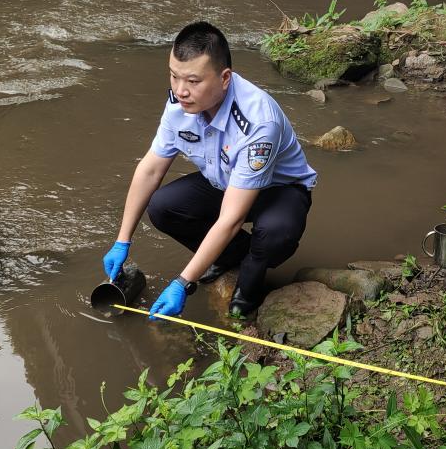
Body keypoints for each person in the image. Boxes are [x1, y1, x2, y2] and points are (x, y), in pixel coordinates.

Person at [102, 21, 317, 319]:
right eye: (174, 77)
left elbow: (232, 217)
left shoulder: (257, 123)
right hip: (224, 182)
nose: (180, 91)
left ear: (225, 78)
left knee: (274, 235)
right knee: (163, 207)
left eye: (193, 81)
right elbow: (150, 169)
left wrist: (182, 282)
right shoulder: (178, 103)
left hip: (278, 191)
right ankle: (231, 255)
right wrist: (122, 240)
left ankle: (250, 283)